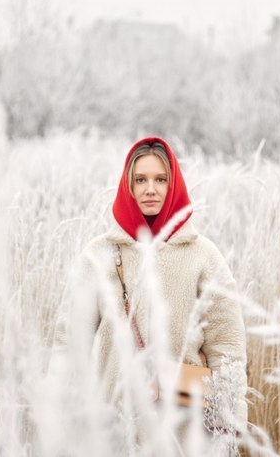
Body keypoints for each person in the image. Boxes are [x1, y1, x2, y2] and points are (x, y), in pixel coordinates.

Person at [54, 137, 247, 454]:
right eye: (140, 180)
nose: (150, 189)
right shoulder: (98, 254)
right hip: (111, 433)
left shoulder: (203, 256)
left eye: (160, 180)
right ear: (127, 186)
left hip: (185, 436)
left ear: (174, 185)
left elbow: (229, 352)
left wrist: (229, 426)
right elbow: (68, 344)